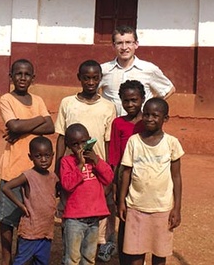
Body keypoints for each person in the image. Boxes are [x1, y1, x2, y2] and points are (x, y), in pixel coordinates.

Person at [54, 59, 116, 260]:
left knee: (95, 223)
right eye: (86, 78)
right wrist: (57, 172)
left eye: (95, 78)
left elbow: (108, 143)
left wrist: (107, 172)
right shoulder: (68, 103)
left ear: (100, 79)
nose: (91, 82)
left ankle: (95, 255)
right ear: (79, 78)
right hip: (72, 170)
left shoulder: (108, 107)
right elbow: (61, 138)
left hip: (96, 173)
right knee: (70, 215)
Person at [0, 58, 55, 265]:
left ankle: (27, 254)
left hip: (36, 169)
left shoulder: (38, 100)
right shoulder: (7, 99)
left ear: (33, 78)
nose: (22, 78)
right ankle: (6, 258)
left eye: (27, 74)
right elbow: (13, 125)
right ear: (11, 77)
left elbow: (50, 127)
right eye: (18, 74)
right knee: (7, 217)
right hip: (13, 164)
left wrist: (22, 127)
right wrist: (38, 120)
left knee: (31, 213)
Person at [118, 98, 184, 265]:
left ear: (165, 119)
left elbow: (176, 176)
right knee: (135, 255)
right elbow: (126, 172)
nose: (149, 119)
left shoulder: (171, 143)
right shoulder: (134, 141)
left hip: (162, 208)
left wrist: (177, 207)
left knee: (159, 254)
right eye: (146, 115)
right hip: (136, 206)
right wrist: (121, 201)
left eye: (155, 115)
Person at [59, 123, 114, 265]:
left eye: (83, 142)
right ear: (69, 146)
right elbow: (67, 184)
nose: (80, 147)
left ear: (89, 140)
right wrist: (80, 165)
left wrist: (95, 161)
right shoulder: (67, 162)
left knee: (89, 257)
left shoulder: (96, 160)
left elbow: (108, 178)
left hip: (93, 218)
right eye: (75, 144)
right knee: (72, 258)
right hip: (74, 220)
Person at [2, 136, 58, 265]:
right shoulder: (28, 176)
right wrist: (21, 205)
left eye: (47, 155)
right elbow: (6, 187)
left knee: (42, 261)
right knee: (21, 260)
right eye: (38, 156)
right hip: (30, 231)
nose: (43, 160)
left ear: (53, 155)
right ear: (30, 156)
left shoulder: (53, 177)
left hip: (46, 231)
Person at [108, 80, 146, 264]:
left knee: (143, 217)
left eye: (134, 100)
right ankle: (124, 258)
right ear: (120, 100)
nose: (130, 104)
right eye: (126, 100)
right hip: (124, 177)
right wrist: (115, 185)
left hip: (145, 176)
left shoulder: (149, 121)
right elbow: (114, 156)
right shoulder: (118, 123)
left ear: (143, 99)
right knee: (125, 218)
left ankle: (140, 257)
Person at [100, 25, 175, 117]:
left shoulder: (149, 69)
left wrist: (150, 107)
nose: (124, 47)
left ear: (136, 44)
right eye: (119, 43)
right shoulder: (103, 70)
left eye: (128, 42)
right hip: (113, 124)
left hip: (140, 126)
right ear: (113, 46)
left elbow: (168, 89)